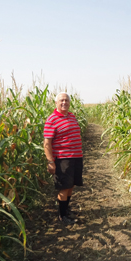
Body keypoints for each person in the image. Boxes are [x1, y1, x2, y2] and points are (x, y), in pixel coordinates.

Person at [43, 92, 83, 224]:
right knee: (64, 187)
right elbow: (47, 143)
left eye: (66, 100)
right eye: (61, 100)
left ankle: (66, 209)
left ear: (70, 102)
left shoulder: (71, 116)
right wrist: (50, 162)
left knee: (71, 186)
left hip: (76, 157)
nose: (64, 102)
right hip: (62, 159)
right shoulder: (52, 119)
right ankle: (62, 216)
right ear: (56, 103)